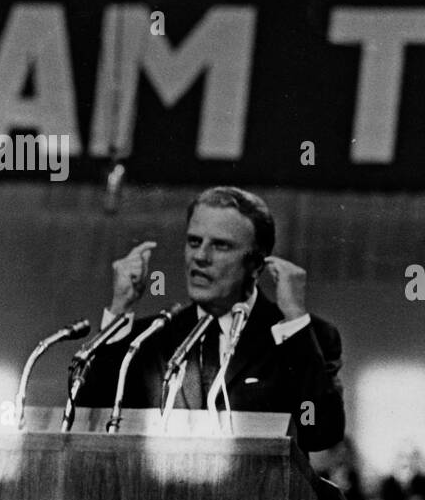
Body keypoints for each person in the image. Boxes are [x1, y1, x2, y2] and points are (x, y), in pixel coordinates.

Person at [74, 186, 345, 452]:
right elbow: (90, 418)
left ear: (256, 263)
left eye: (220, 246)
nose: (200, 257)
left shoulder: (304, 338)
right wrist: (120, 307)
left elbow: (319, 431)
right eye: (194, 242)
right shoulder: (150, 339)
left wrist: (295, 319)